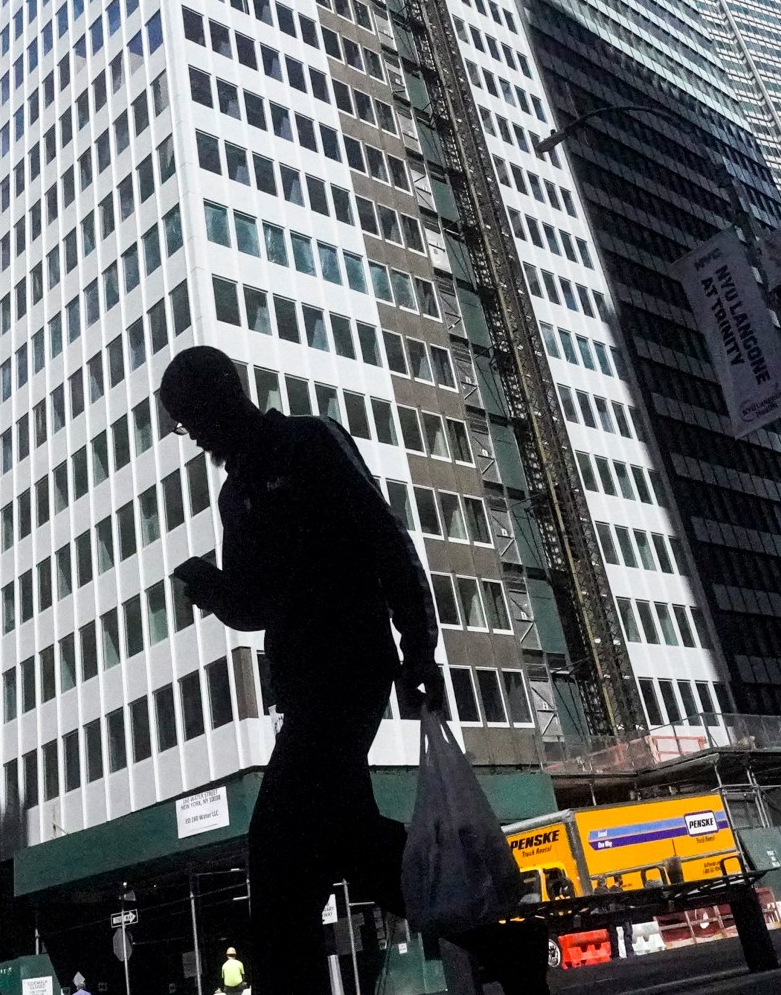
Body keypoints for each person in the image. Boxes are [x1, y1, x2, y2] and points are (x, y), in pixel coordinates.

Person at [159, 348, 546, 995]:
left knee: (276, 854)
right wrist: (212, 588)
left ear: (224, 396)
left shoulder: (308, 442)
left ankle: (505, 948)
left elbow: (384, 537)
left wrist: (418, 646)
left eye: (193, 418)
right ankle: (505, 947)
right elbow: (256, 607)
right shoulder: (236, 498)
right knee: (349, 849)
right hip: (304, 691)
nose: (193, 436)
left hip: (350, 671)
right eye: (185, 426)